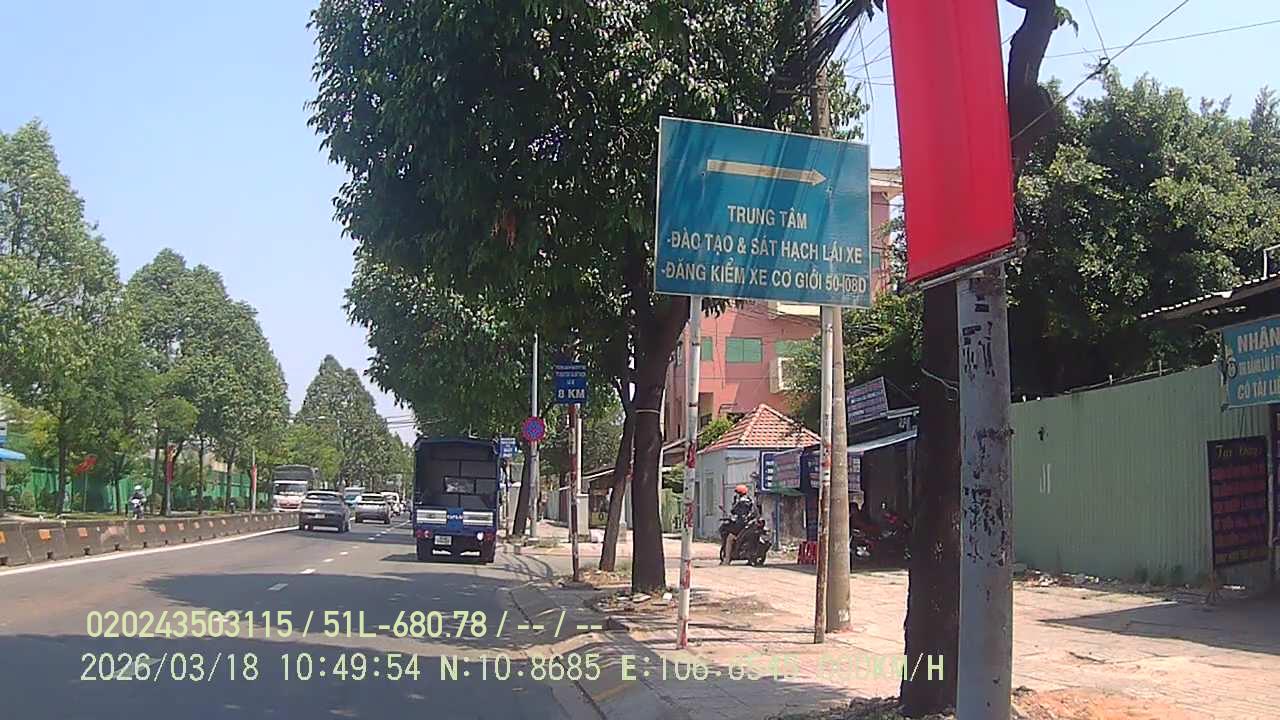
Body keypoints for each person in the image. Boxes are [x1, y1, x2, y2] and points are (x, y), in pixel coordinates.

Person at [721, 484, 754, 564]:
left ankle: (727, 559)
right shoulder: (750, 501)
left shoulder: (740, 502)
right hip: (748, 524)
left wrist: (735, 502)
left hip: (741, 525)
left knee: (729, 538)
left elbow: (733, 511)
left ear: (739, 493)